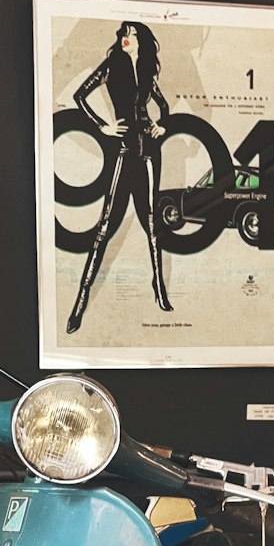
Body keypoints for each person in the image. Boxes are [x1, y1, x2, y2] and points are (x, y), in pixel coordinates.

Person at [66, 21, 172, 334]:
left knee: (152, 224)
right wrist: (103, 126)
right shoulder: (113, 64)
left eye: (131, 33)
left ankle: (159, 290)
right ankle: (80, 301)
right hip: (125, 149)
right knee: (105, 226)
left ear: (142, 39)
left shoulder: (149, 69)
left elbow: (163, 106)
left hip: (150, 150)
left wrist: (161, 124)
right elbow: (80, 95)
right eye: (123, 33)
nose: (124, 38)